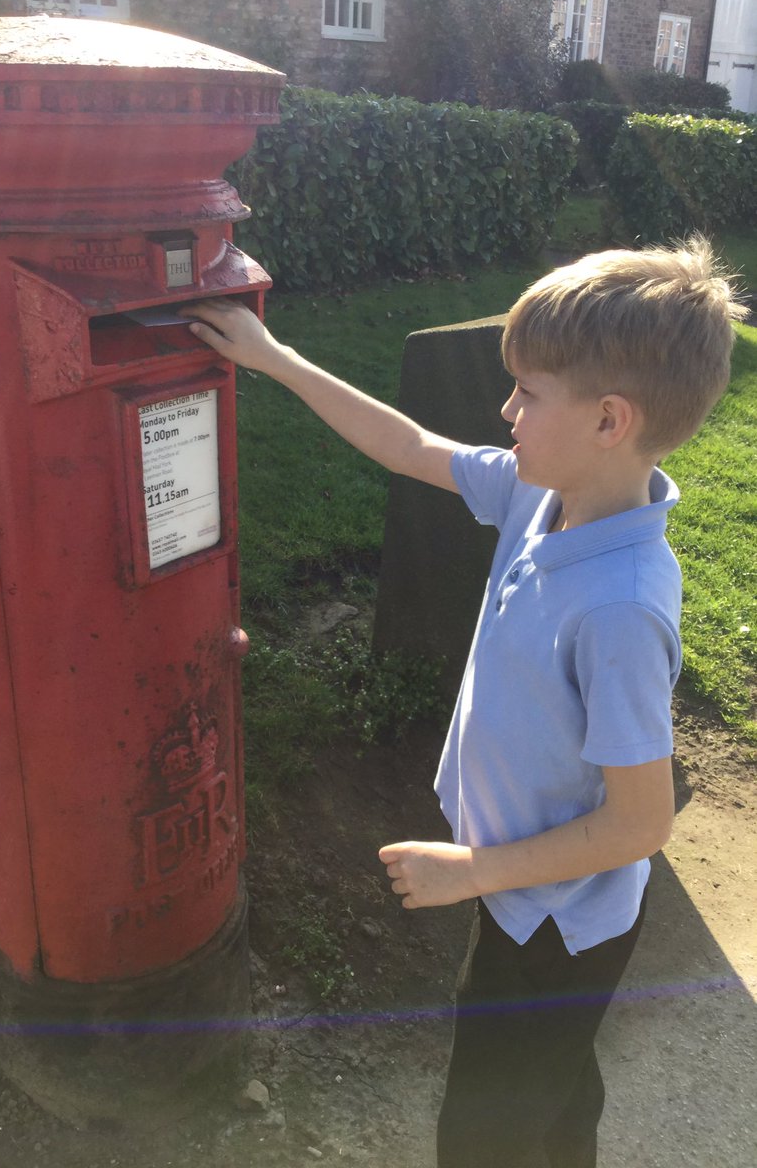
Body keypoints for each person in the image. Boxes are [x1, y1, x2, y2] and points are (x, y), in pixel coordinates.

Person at [182, 236, 746, 1168]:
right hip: (528, 890)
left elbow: (642, 823)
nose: (506, 410)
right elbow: (409, 446)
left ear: (610, 419)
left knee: (483, 1132)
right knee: (554, 1090)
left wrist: (473, 870)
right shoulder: (545, 498)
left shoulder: (620, 606)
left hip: (554, 917)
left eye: (528, 391)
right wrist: (270, 359)